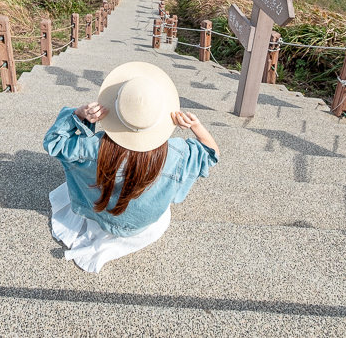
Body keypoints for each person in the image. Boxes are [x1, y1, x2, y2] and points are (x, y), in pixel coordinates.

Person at [43, 61, 219, 272]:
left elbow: (53, 141)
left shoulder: (91, 148)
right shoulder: (178, 155)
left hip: (98, 215)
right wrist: (195, 126)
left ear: (116, 110)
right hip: (142, 226)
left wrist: (79, 114)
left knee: (80, 172)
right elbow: (211, 153)